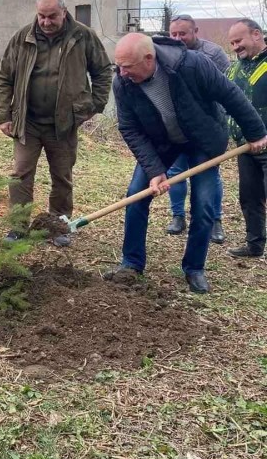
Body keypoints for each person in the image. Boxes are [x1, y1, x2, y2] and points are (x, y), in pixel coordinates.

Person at [104, 33, 267, 293]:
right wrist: (155, 170)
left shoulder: (191, 64)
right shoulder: (123, 83)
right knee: (136, 196)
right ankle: (132, 263)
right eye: (118, 66)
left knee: (203, 204)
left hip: (202, 140)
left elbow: (230, 95)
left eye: (127, 67)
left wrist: (256, 132)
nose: (121, 73)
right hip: (162, 143)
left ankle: (194, 268)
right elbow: (129, 128)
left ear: (149, 58)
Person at [0, 0, 112, 246]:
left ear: (64, 12)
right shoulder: (22, 37)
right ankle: (18, 227)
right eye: (41, 16)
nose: (46, 22)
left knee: (62, 175)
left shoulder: (82, 36)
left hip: (64, 123)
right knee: (20, 174)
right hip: (28, 122)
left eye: (52, 17)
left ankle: (59, 225)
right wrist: (4, 114)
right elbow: (4, 76)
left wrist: (94, 105)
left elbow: (103, 71)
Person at [166, 14, 231, 242]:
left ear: (195, 31)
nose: (177, 38)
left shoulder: (214, 54)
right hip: (177, 128)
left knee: (209, 175)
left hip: (207, 128)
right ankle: (177, 216)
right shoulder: (166, 55)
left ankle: (215, 220)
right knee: (175, 173)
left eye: (182, 33)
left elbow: (228, 90)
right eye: (173, 34)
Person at [226, 18, 267, 258]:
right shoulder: (234, 68)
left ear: (256, 35)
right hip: (245, 147)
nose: (234, 47)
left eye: (238, 41)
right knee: (249, 197)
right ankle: (254, 245)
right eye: (231, 42)